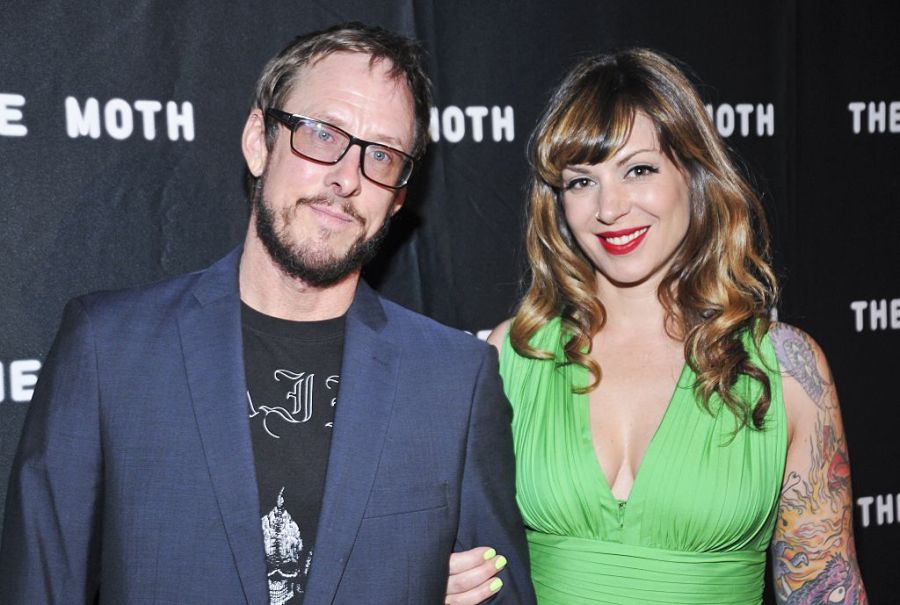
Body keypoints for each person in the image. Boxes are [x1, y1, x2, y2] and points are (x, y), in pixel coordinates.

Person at [0, 22, 535, 604]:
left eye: (381, 155)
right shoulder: (109, 349)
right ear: (260, 141)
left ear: (399, 196)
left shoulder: (455, 379)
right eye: (323, 134)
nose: (346, 178)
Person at [446, 49, 867, 604]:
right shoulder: (512, 356)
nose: (609, 208)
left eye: (638, 170)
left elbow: (825, 590)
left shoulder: (785, 369)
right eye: (581, 181)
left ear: (694, 175)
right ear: (557, 203)